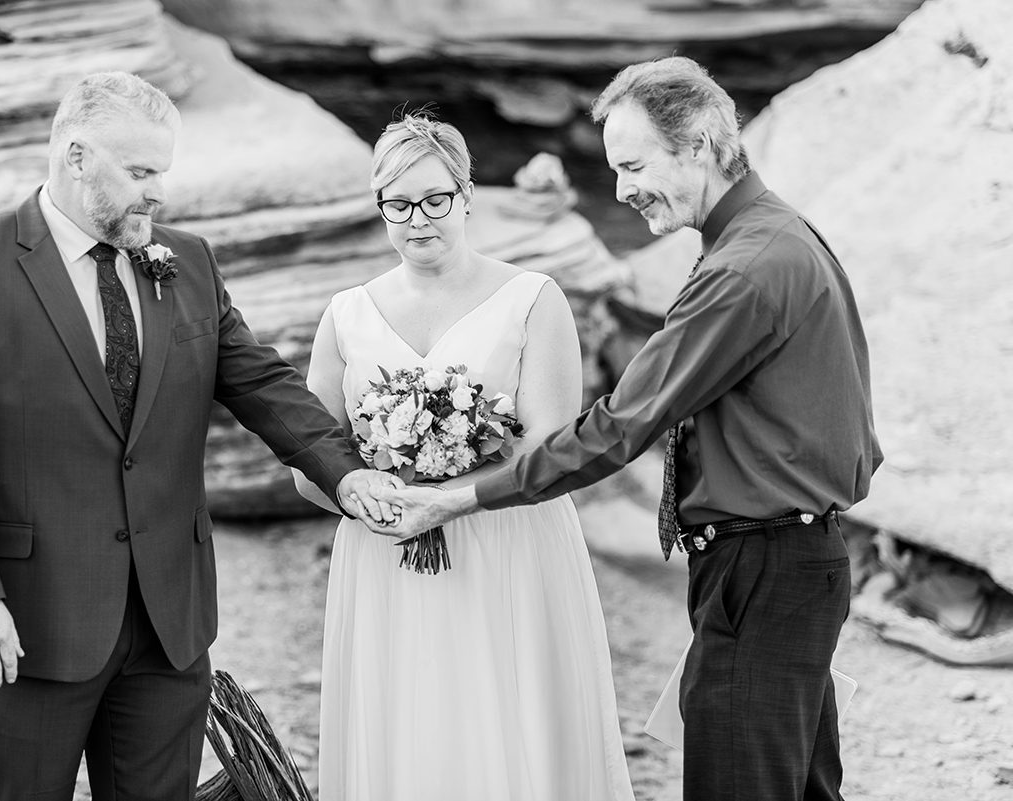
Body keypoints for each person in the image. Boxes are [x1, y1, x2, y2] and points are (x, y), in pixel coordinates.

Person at [371, 57, 882, 801]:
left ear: (701, 143)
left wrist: (459, 498)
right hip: (791, 560)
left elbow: (619, 426)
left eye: (634, 164)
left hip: (764, 569)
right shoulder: (778, 236)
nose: (621, 189)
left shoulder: (744, 271)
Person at [0, 71, 398, 801]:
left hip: (169, 622)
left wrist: (345, 473)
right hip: (30, 620)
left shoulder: (186, 259)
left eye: (164, 170)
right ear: (75, 157)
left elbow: (259, 382)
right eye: (140, 171)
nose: (158, 190)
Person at [292, 111, 634, 801]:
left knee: (506, 723)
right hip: (385, 553)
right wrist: (373, 497)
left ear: (468, 194)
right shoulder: (346, 314)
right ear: (380, 207)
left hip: (507, 544)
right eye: (397, 204)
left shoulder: (534, 299)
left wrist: (446, 494)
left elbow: (548, 445)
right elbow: (310, 460)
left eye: (435, 199)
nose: (418, 219)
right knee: (410, 724)